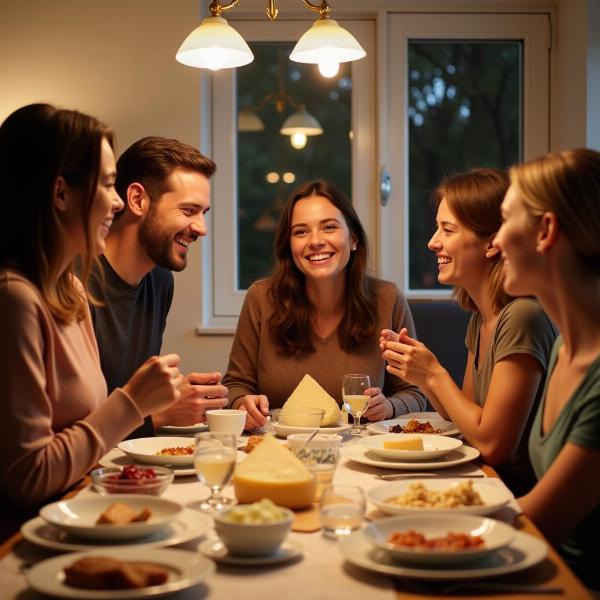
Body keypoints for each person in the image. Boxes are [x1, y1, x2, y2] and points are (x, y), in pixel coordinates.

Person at [0, 104, 182, 509]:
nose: (117, 204)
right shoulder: (14, 299)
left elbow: (87, 437)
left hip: (80, 507)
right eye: (107, 185)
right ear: (61, 193)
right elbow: (26, 478)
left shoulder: (70, 291)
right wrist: (134, 403)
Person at [381, 168, 556, 496]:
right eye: (437, 228)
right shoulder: (482, 317)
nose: (433, 242)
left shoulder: (522, 316)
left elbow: (492, 444)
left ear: (492, 243)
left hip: (513, 495)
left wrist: (433, 374)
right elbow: (466, 415)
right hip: (488, 483)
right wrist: (419, 372)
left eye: (448, 229)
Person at [223, 179, 426, 430]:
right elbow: (235, 385)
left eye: (329, 227)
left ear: (353, 239)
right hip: (281, 452)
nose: (315, 241)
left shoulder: (388, 299)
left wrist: (388, 407)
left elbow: (414, 392)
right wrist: (243, 403)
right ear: (289, 246)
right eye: (300, 232)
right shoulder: (261, 298)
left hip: (362, 452)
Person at [493, 148, 600, 591]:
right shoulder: (560, 349)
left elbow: (541, 524)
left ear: (546, 231)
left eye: (504, 220)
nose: (495, 241)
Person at [88, 136, 228, 438]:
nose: (201, 229)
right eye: (189, 210)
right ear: (137, 200)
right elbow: (71, 430)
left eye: (204, 213)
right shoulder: (74, 284)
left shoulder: (160, 280)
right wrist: (161, 415)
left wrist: (168, 396)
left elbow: (129, 395)